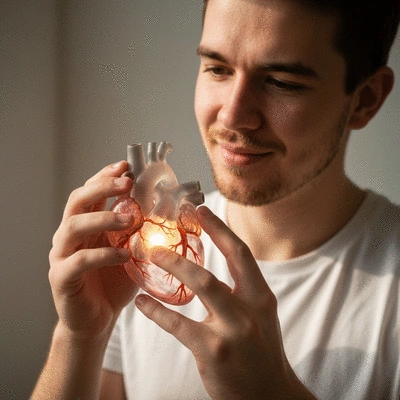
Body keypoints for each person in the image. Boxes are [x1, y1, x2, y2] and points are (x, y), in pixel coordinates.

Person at [32, 0, 400, 398]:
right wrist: (81, 337)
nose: (232, 115)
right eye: (217, 68)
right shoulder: (139, 260)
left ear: (365, 99)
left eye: (281, 82)